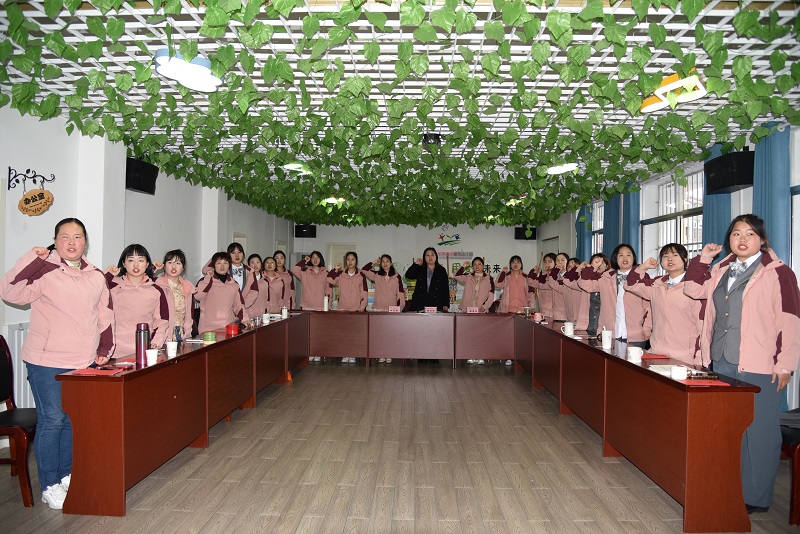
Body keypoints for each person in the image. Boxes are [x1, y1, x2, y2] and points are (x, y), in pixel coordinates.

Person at [683, 214, 800, 513]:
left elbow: (790, 320)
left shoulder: (779, 273)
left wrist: (785, 364)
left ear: (762, 239)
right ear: (729, 240)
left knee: (759, 432)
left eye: (750, 233)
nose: (743, 239)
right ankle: (731, 487)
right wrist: (703, 259)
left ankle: (756, 498)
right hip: (721, 360)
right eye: (736, 234)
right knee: (728, 429)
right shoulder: (721, 269)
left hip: (760, 364)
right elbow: (692, 289)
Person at [0, 218, 114, 509]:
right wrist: (33, 259)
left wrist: (104, 348)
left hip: (84, 361)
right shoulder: (44, 270)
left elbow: (104, 315)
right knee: (53, 421)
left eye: (78, 236)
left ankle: (66, 476)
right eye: (65, 236)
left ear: (85, 242)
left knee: (72, 420)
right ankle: (50, 484)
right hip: (47, 361)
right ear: (55, 241)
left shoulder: (95, 275)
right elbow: (10, 292)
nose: (72, 242)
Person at [625, 243, 703, 365]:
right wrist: (644, 267)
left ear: (685, 259)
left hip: (684, 356)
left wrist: (699, 358)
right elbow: (630, 284)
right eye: (665, 256)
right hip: (657, 352)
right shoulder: (657, 283)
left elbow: (702, 326)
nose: (670, 259)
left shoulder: (694, 286)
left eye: (675, 255)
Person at [578, 244, 652, 347]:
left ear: (633, 258)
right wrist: (593, 266)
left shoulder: (642, 277)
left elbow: (649, 306)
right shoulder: (606, 277)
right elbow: (585, 285)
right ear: (615, 258)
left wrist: (647, 327)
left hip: (635, 334)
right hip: (610, 333)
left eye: (628, 255)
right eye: (621, 255)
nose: (625, 258)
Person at [105, 244, 170, 357]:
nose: (136, 265)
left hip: (145, 350)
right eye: (131, 260)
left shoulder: (156, 290)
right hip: (114, 352)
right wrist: (108, 275)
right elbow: (93, 293)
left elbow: (162, 322)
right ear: (123, 263)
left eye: (141, 260)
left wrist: (156, 342)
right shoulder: (113, 286)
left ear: (147, 264)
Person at [361, 254, 405, 363]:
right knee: (380, 334)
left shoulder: (397, 276)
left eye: (387, 261)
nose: (385, 263)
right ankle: (381, 354)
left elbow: (400, 293)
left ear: (391, 263)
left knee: (389, 334)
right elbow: (364, 270)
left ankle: (388, 354)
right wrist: (373, 262)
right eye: (383, 261)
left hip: (391, 310)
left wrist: (400, 307)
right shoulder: (376, 275)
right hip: (378, 308)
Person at [328, 252, 368, 364]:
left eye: (352, 259)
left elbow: (364, 292)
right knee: (344, 333)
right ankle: (345, 353)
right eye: (348, 259)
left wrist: (362, 306)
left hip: (356, 309)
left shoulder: (361, 275)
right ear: (346, 261)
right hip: (343, 308)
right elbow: (329, 279)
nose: (350, 262)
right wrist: (335, 270)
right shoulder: (341, 274)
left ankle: (352, 354)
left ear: (356, 261)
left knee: (353, 334)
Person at [195, 251, 250, 333]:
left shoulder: (234, 284)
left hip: (229, 327)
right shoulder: (205, 281)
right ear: (214, 265)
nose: (222, 266)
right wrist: (208, 279)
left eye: (225, 263)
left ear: (229, 266)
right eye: (219, 263)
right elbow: (197, 296)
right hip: (209, 329)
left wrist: (245, 320)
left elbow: (239, 305)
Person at [154, 249, 196, 343]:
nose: (174, 266)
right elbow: (142, 280)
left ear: (183, 267)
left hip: (182, 333)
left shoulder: (188, 287)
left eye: (178, 263)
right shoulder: (157, 284)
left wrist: (188, 333)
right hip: (162, 334)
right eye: (170, 262)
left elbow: (189, 314)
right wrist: (154, 268)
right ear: (164, 266)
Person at [202, 242, 259, 308]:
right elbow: (205, 270)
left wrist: (242, 305)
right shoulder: (223, 268)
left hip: (243, 308)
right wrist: (219, 256)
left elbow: (254, 291)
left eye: (239, 252)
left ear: (243, 254)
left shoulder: (249, 271)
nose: (237, 255)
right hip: (225, 307)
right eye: (233, 253)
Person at [405, 247, 450, 312]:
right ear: (424, 257)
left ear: (436, 257)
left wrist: (446, 304)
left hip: (436, 302)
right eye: (427, 255)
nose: (430, 257)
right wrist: (416, 264)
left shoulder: (441, 270)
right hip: (420, 303)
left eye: (432, 255)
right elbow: (408, 275)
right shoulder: (420, 269)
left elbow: (445, 288)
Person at [574, 253, 610, 336]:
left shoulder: (608, 280)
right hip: (589, 322)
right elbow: (581, 282)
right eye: (595, 262)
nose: (598, 265)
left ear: (607, 266)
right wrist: (582, 268)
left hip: (603, 323)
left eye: (601, 263)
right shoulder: (586, 278)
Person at [561, 257, 590, 331]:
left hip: (580, 319)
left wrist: (578, 269)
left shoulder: (582, 280)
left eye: (575, 267)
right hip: (569, 318)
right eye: (569, 267)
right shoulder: (565, 280)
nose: (572, 269)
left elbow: (568, 281)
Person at [545, 252, 570, 322]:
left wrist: (554, 272)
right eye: (558, 260)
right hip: (554, 312)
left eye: (562, 260)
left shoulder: (569, 276)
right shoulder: (555, 274)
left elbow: (561, 289)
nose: (560, 262)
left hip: (564, 313)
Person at [529, 253, 556, 318]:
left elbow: (544, 285)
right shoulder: (543, 274)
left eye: (549, 262)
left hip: (553, 311)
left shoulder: (556, 275)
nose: (547, 264)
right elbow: (530, 282)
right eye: (545, 262)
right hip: (543, 309)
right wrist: (533, 271)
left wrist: (543, 273)